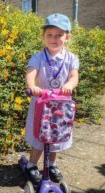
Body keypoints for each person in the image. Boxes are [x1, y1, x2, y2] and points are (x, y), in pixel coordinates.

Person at [24, 13, 79, 184]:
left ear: (67, 37)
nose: (54, 39)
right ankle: (31, 165)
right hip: (41, 103)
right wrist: (32, 86)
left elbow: (74, 76)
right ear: (43, 37)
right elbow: (30, 73)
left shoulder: (71, 58)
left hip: (61, 106)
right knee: (39, 138)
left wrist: (69, 85)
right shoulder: (38, 57)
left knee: (56, 136)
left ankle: (52, 164)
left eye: (59, 35)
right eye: (49, 35)